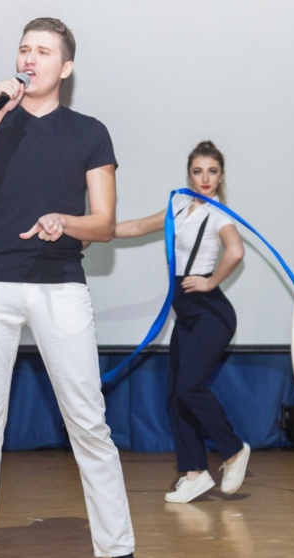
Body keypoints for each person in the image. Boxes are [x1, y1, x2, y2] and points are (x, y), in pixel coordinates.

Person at [0, 17, 157, 558]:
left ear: (66, 67)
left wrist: (66, 221)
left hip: (60, 285)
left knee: (89, 421)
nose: (30, 59)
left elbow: (104, 223)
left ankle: (121, 555)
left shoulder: (90, 133)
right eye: (24, 49)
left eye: (44, 51)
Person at [114, 140, 251, 504]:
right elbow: (139, 225)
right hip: (188, 315)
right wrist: (96, 231)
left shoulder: (219, 215)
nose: (205, 178)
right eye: (198, 171)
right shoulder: (178, 206)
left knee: (190, 388)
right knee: (176, 395)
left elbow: (236, 251)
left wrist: (211, 281)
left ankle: (234, 450)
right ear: (189, 175)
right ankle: (194, 474)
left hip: (211, 314)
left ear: (221, 176)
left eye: (212, 171)